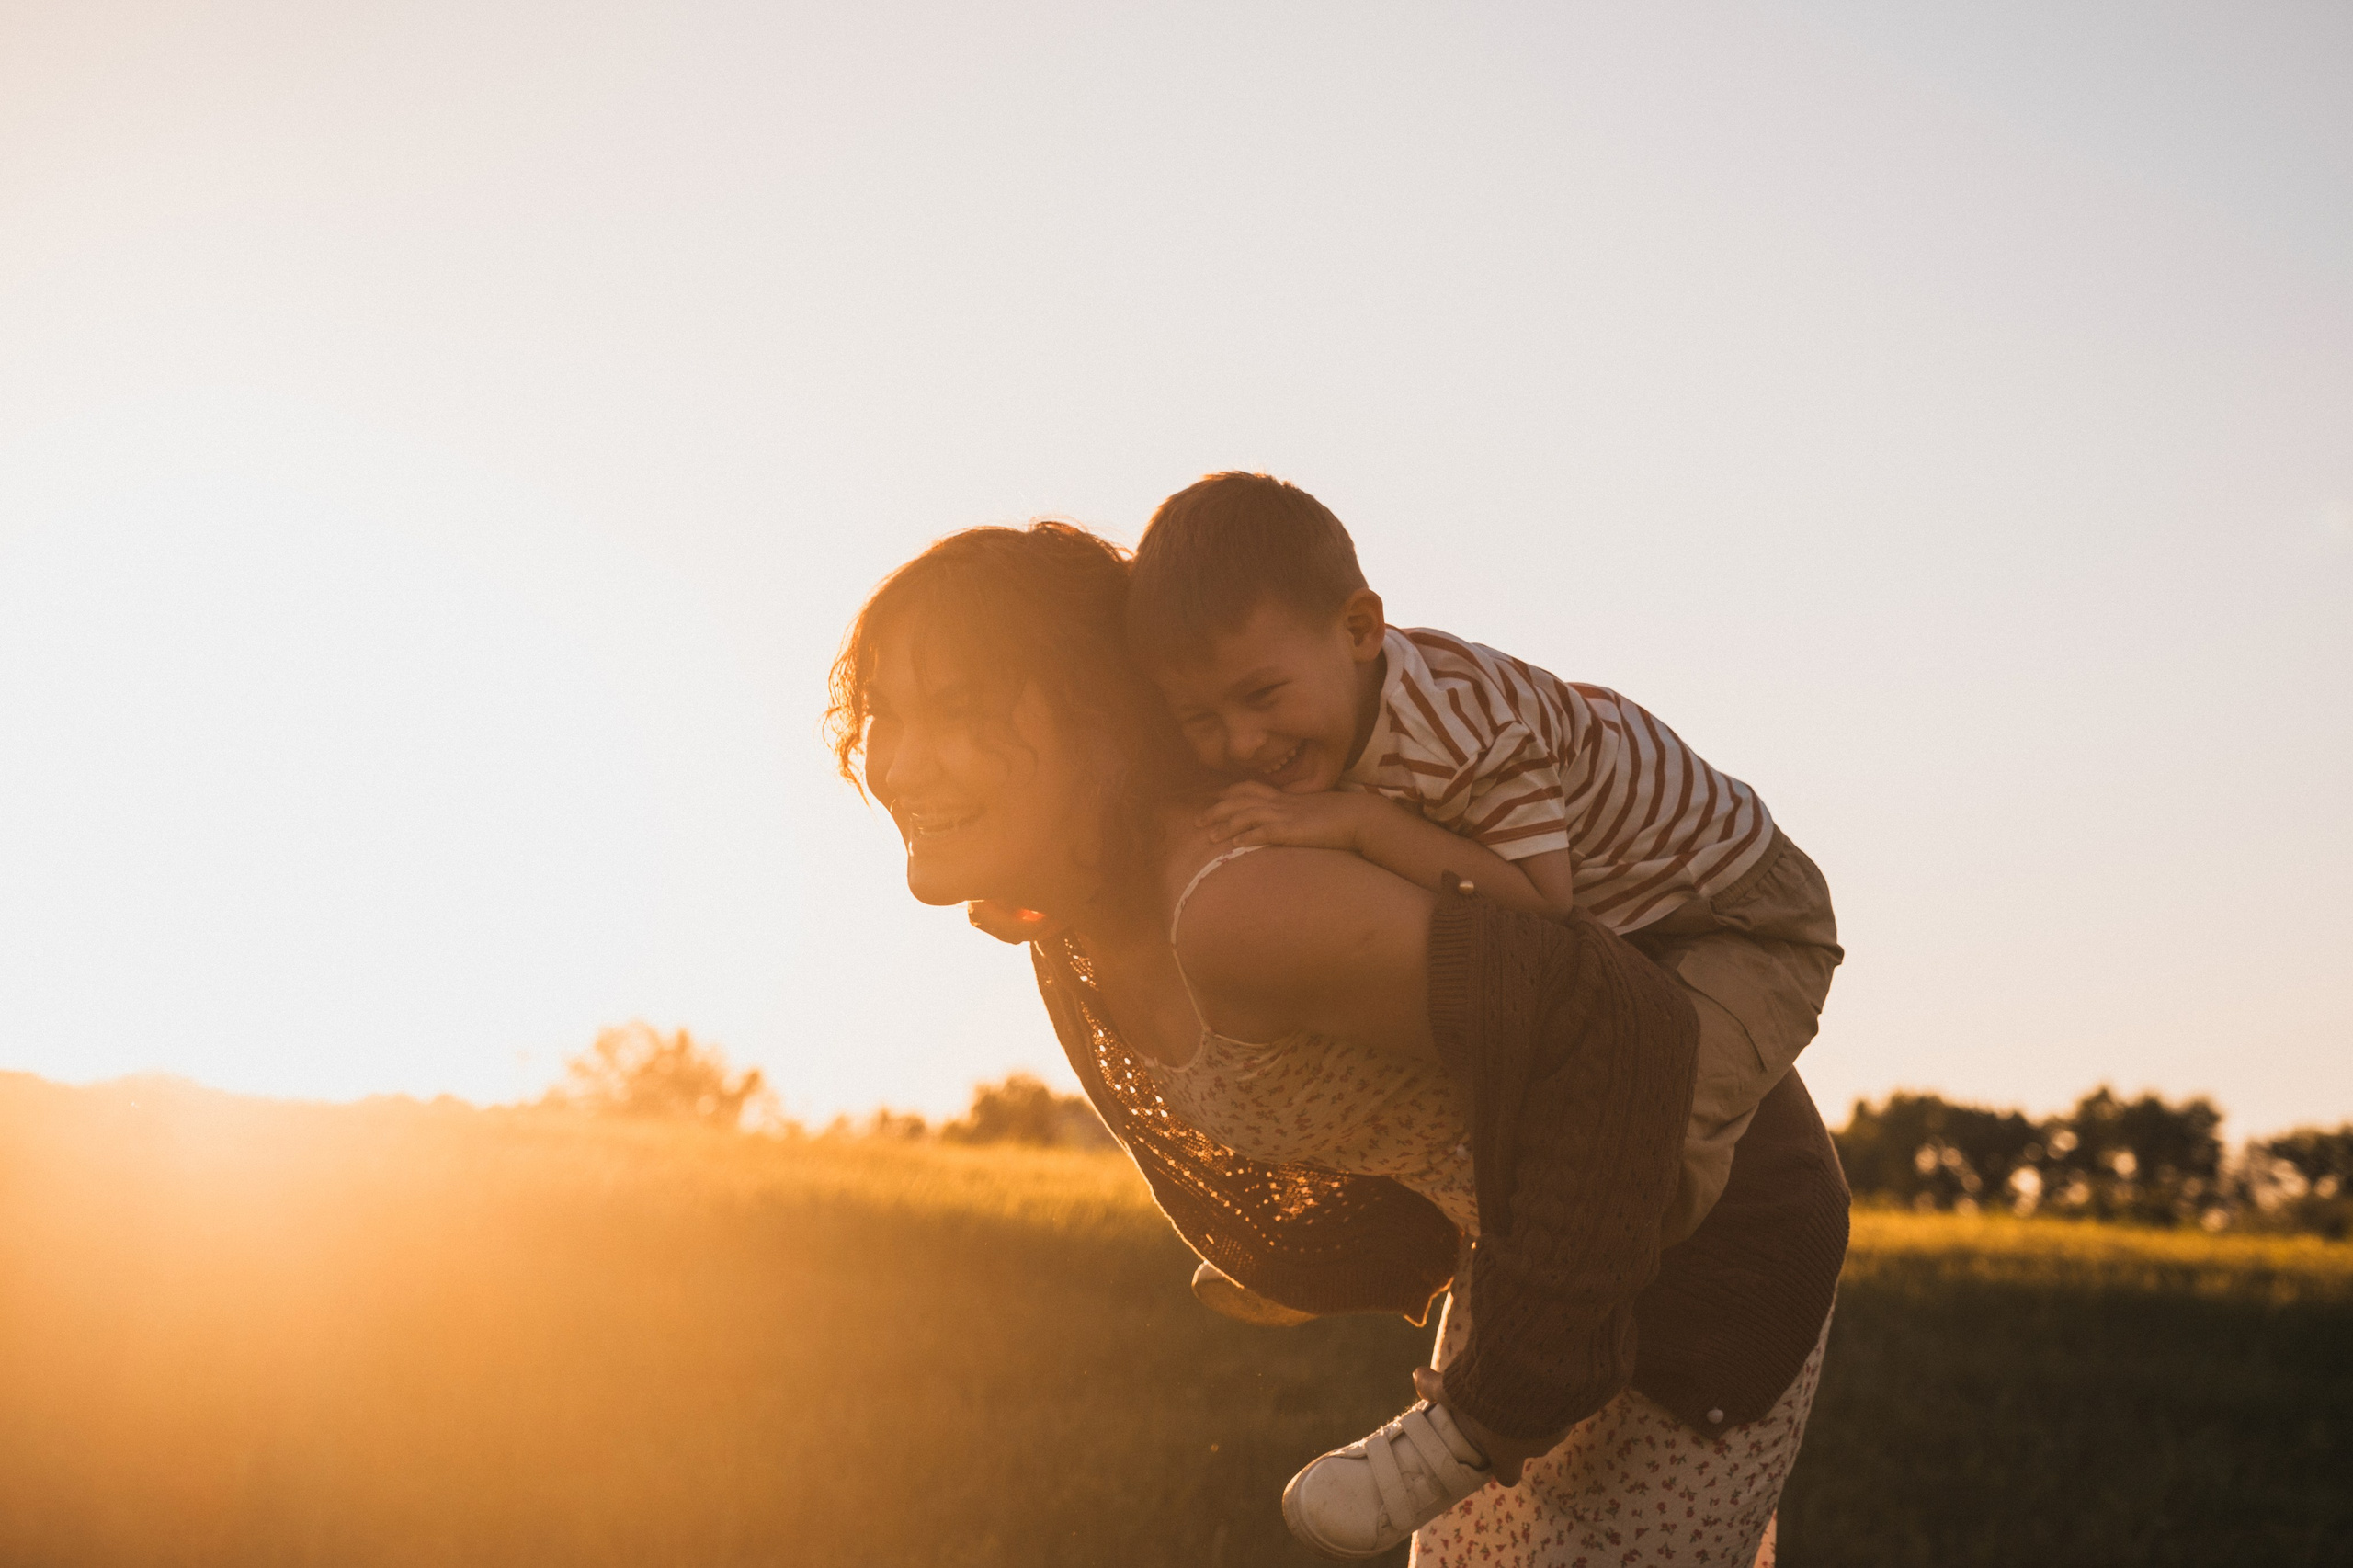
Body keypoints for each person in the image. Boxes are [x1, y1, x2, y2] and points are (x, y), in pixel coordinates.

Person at [829, 519, 1847, 1566]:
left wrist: (1502, 1400)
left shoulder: (1240, 904)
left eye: (957, 711)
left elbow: (1619, 1024)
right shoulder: (1071, 907)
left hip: (1699, 1253)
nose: (897, 763)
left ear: (1102, 712)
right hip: (1528, 1251)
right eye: (882, 715)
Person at [1119, 471, 1844, 1247]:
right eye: (1200, 719)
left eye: (1262, 696)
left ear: (1360, 630)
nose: (1240, 742)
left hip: (1739, 917)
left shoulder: (1465, 733)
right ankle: (1353, 1255)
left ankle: (1623, 1265)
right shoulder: (1318, 717)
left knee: (1654, 1116)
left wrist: (1361, 824)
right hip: (1627, 911)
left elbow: (1539, 904)